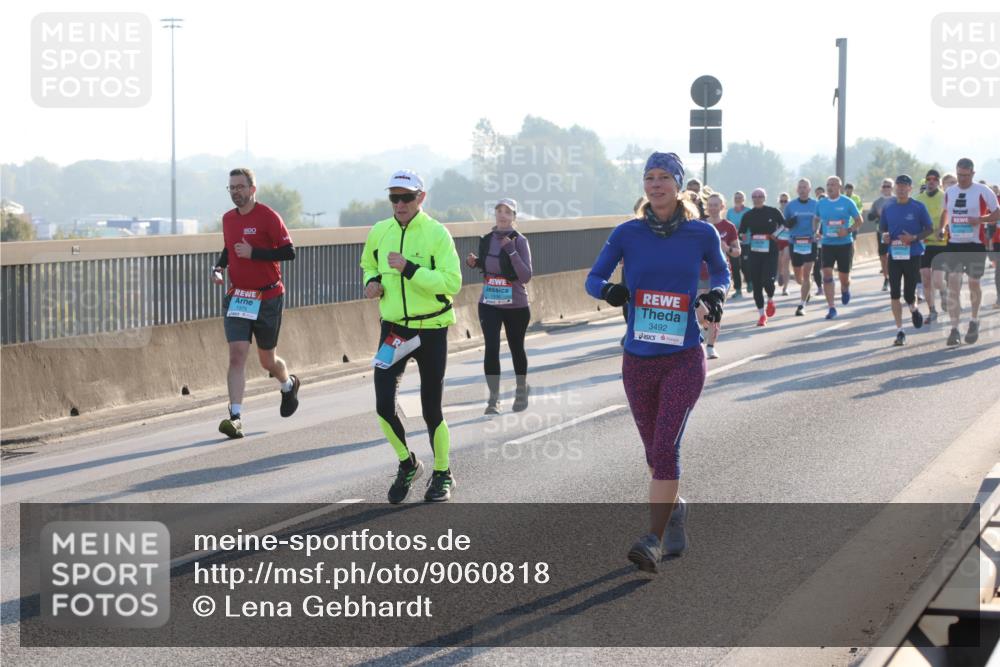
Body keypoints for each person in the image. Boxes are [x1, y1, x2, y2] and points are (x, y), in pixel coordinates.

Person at [586, 152, 729, 573]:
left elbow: (721, 274)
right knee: (654, 454)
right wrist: (610, 292)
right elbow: (593, 278)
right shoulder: (627, 233)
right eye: (649, 177)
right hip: (638, 359)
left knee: (666, 448)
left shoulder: (701, 233)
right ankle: (676, 509)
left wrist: (714, 296)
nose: (656, 184)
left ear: (679, 185)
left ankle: (654, 539)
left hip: (683, 357)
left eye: (664, 177)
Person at [360, 169, 462, 502]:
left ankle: (443, 473)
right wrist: (372, 282)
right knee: (382, 406)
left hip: (431, 327)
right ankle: (407, 463)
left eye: (406, 197)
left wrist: (410, 269)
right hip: (394, 330)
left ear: (421, 197)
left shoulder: (437, 234)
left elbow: (452, 283)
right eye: (394, 197)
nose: (400, 203)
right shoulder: (380, 231)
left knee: (431, 409)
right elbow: (368, 264)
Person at [212, 167, 300, 439]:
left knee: (267, 361)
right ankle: (235, 417)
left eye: (240, 186)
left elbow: (289, 252)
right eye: (231, 188)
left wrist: (255, 253)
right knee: (237, 354)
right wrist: (218, 268)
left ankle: (288, 384)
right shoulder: (228, 219)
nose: (236, 192)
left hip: (268, 297)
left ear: (252, 189)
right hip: (239, 296)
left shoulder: (268, 217)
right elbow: (229, 249)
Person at [466, 198, 533, 414]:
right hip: (490, 302)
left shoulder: (520, 241)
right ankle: (493, 400)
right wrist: (475, 262)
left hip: (516, 304)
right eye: (499, 211)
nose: (503, 215)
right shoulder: (486, 239)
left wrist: (512, 251)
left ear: (514, 217)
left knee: (516, 348)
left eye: (507, 212)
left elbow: (525, 276)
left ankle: (521, 389)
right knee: (491, 348)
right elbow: (488, 265)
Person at [939, 158, 1000, 346]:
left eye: (965, 175)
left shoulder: (983, 191)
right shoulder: (950, 191)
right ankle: (954, 329)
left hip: (975, 244)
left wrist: (980, 220)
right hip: (955, 245)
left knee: (974, 283)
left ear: (973, 174)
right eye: (959, 175)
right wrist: (942, 228)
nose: (962, 179)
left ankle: (974, 320)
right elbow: (945, 213)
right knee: (954, 285)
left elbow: (997, 213)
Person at [880, 175, 932, 346]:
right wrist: (885, 237)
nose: (901, 189)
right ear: (895, 188)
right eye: (898, 186)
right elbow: (883, 229)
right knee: (894, 293)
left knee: (909, 294)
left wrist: (914, 237)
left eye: (904, 186)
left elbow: (929, 229)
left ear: (910, 188)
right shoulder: (888, 207)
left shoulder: (918, 207)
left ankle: (914, 309)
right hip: (894, 255)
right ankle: (900, 331)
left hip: (913, 254)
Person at [814, 176, 863, 319]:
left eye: (833, 185)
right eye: (828, 184)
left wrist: (847, 230)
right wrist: (816, 231)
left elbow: (860, 220)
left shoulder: (847, 202)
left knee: (844, 278)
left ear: (839, 187)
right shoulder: (821, 203)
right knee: (827, 275)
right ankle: (831, 308)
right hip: (827, 244)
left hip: (844, 244)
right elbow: (816, 219)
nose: (830, 187)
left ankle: (845, 288)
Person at [701, 192, 740, 358]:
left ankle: (710, 347)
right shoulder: (700, 225)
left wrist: (727, 249)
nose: (713, 207)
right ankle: (702, 332)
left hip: (719, 275)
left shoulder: (729, 227)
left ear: (722, 207)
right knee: (700, 309)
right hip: (700, 273)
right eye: (710, 204)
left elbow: (737, 251)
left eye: (716, 204)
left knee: (715, 310)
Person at [739, 188, 784, 326]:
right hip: (755, 252)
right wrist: (743, 236)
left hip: (770, 251)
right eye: (755, 196)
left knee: (768, 281)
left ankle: (770, 299)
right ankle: (761, 315)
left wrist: (775, 235)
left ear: (765, 198)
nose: (757, 198)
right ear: (752, 199)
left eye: (760, 196)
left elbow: (784, 225)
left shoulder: (773, 211)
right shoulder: (748, 215)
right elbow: (741, 232)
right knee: (756, 284)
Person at [916, 169, 948, 323]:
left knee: (937, 280)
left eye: (935, 179)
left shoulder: (945, 196)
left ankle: (944, 292)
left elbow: (948, 214)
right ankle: (932, 310)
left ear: (939, 182)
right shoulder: (918, 199)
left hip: (941, 243)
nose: (931, 181)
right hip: (924, 244)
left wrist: (943, 228)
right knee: (926, 279)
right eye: (928, 178)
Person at [783, 178, 820, 316]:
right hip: (795, 243)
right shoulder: (790, 206)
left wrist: (818, 233)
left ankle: (802, 305)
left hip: (811, 242)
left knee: (807, 273)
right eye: (800, 187)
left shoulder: (816, 204)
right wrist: (789, 223)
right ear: (797, 190)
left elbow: (821, 220)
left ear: (809, 189)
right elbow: (785, 223)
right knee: (799, 277)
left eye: (805, 187)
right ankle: (805, 288)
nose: (803, 189)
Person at [868, 178, 896, 291]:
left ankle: (896, 277)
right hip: (882, 232)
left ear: (892, 188)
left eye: (888, 186)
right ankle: (886, 278)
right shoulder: (877, 202)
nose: (886, 188)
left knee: (895, 256)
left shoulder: (897, 199)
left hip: (896, 232)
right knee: (883, 256)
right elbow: (869, 217)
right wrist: (877, 214)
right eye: (884, 186)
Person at [726, 191, 750, 297]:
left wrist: (745, 232)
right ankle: (738, 289)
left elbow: (752, 225)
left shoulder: (748, 211)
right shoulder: (730, 212)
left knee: (746, 265)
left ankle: (749, 281)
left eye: (740, 197)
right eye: (736, 197)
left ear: (743, 199)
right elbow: (727, 226)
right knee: (735, 266)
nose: (738, 199)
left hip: (746, 241)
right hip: (733, 242)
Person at [776, 192, 792, 294]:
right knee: (779, 262)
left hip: (788, 240)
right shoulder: (776, 212)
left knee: (786, 262)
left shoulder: (791, 211)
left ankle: (785, 288)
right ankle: (780, 274)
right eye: (781, 201)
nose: (783, 203)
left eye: (785, 201)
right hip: (778, 239)